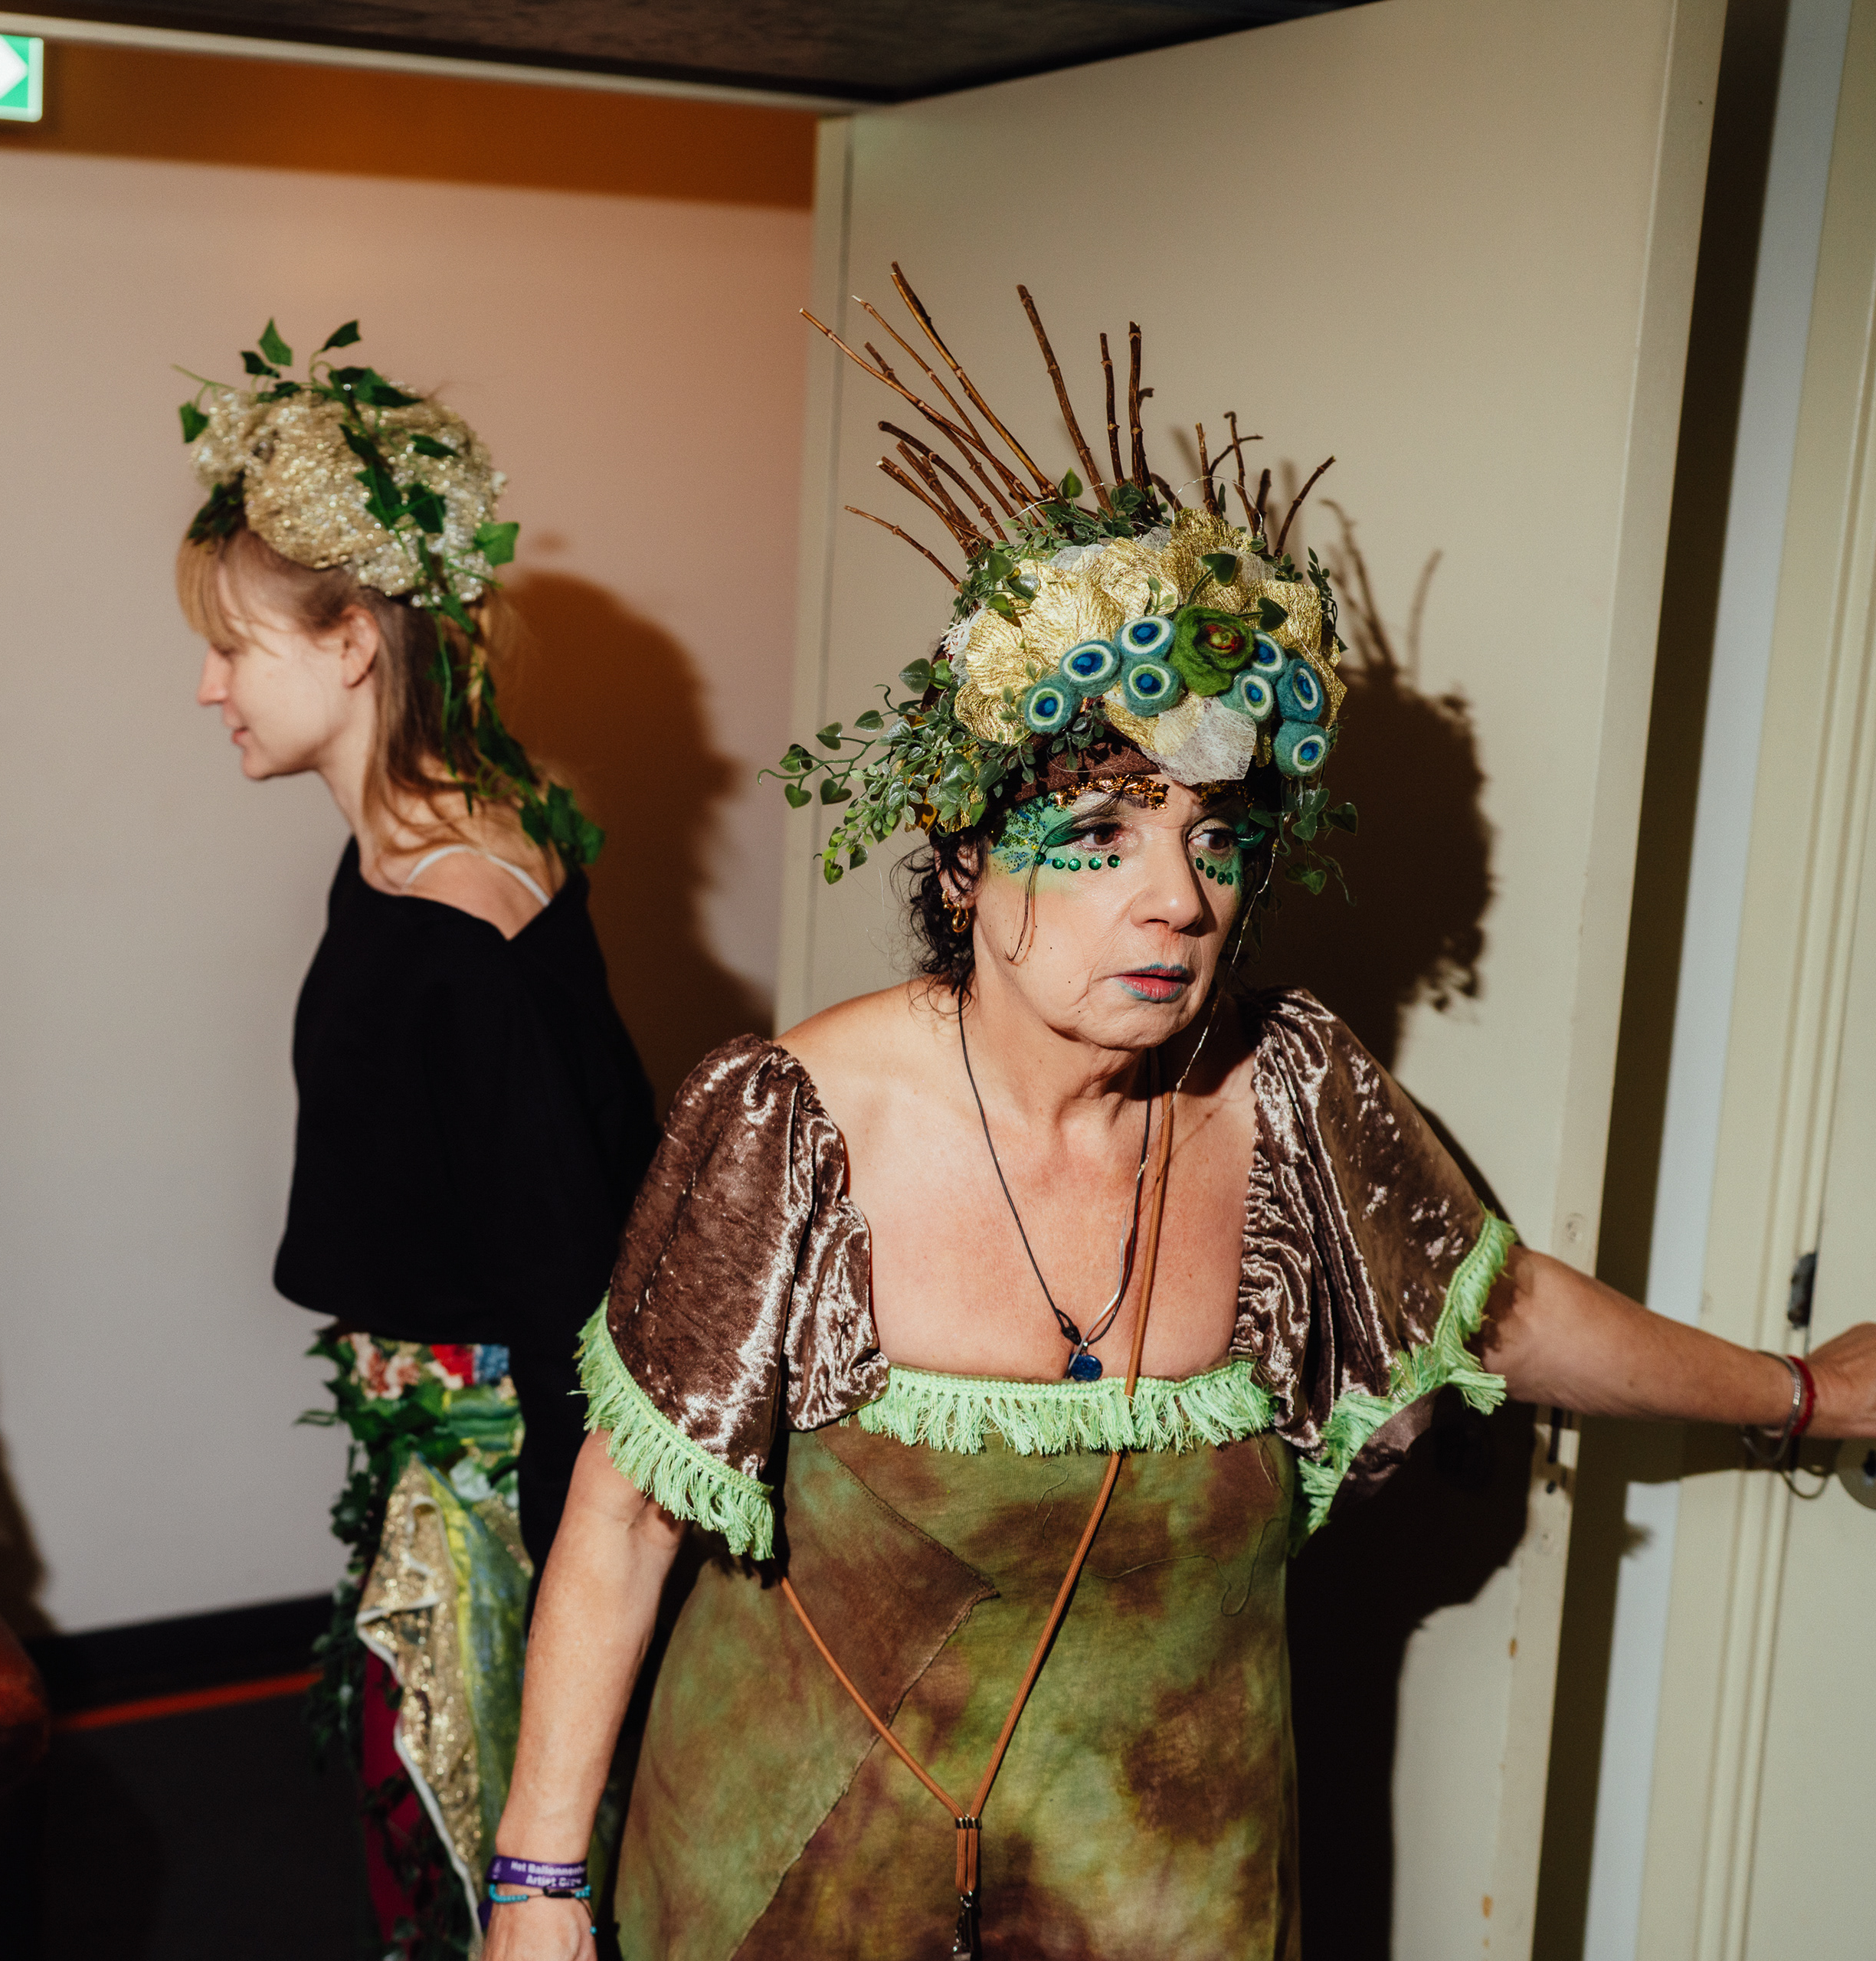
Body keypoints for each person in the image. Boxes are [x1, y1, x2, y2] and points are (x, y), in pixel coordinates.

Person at [479, 269, 1876, 1959]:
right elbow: (623, 1517)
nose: (1178, 899)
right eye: (1100, 833)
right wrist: (537, 1887)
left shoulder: (1290, 1101)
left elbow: (1504, 1313)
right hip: (795, 1877)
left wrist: (1804, 1391)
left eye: (1216, 839)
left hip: (1173, 1869)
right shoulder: (796, 1123)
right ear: (962, 857)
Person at [176, 321, 660, 1949]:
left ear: (353, 642)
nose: (208, 685)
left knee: (466, 1833)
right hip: (427, 1441)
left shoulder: (466, 922)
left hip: (498, 1474)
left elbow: (569, 1274)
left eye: (233, 646)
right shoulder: (406, 847)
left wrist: (573, 1573)